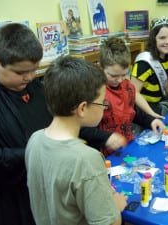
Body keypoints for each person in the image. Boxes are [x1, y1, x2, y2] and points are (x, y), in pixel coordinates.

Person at [25, 56, 127, 225]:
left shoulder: (35, 140)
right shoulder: (86, 159)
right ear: (83, 108)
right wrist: (115, 207)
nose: (103, 107)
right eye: (101, 103)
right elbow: (109, 223)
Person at [0, 23, 52, 225]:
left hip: (42, 187)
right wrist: (36, 151)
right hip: (9, 199)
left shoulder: (35, 86)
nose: (29, 77)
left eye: (34, 70)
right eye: (20, 72)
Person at [98, 36, 165, 156]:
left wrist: (151, 121)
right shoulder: (94, 92)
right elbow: (83, 128)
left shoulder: (127, 86)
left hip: (127, 147)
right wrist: (107, 137)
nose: (119, 80)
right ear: (100, 67)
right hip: (104, 154)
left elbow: (132, 112)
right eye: (113, 76)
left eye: (124, 74)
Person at [131, 16, 168, 117]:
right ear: (154, 40)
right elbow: (133, 93)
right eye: (162, 38)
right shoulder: (144, 62)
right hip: (143, 107)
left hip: (159, 103)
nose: (167, 42)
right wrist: (151, 113)